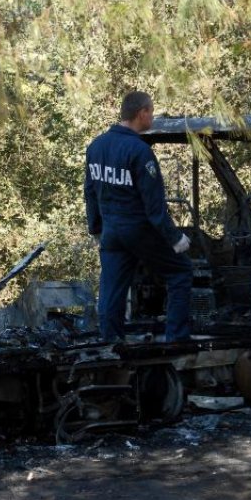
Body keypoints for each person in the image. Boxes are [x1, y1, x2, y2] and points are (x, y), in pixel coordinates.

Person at [84, 91, 193, 343]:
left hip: (111, 232)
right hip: (138, 230)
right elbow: (154, 208)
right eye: (151, 113)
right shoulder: (140, 152)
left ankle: (111, 342)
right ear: (142, 113)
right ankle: (177, 339)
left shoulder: (96, 146)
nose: (152, 117)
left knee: (111, 289)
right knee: (181, 272)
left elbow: (90, 193)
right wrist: (175, 238)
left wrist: (96, 230)